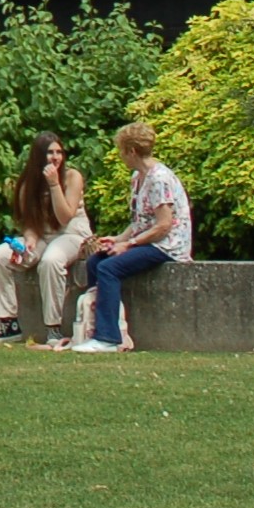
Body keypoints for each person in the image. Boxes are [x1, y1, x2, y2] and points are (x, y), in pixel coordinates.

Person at [71, 123, 192, 353]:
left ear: (132, 151)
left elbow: (164, 225)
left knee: (109, 268)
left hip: (168, 246)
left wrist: (129, 244)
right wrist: (118, 240)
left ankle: (107, 338)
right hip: (150, 239)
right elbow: (140, 222)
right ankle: (101, 325)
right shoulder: (138, 177)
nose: (121, 156)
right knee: (97, 261)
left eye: (122, 151)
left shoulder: (159, 179)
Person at [0, 132, 91, 348]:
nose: (56, 157)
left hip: (72, 235)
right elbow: (29, 223)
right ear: (39, 156)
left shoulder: (72, 177)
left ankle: (54, 329)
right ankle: (8, 324)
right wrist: (29, 240)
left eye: (59, 152)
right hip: (42, 236)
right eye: (50, 152)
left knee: (51, 260)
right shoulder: (27, 184)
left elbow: (64, 216)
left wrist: (54, 185)